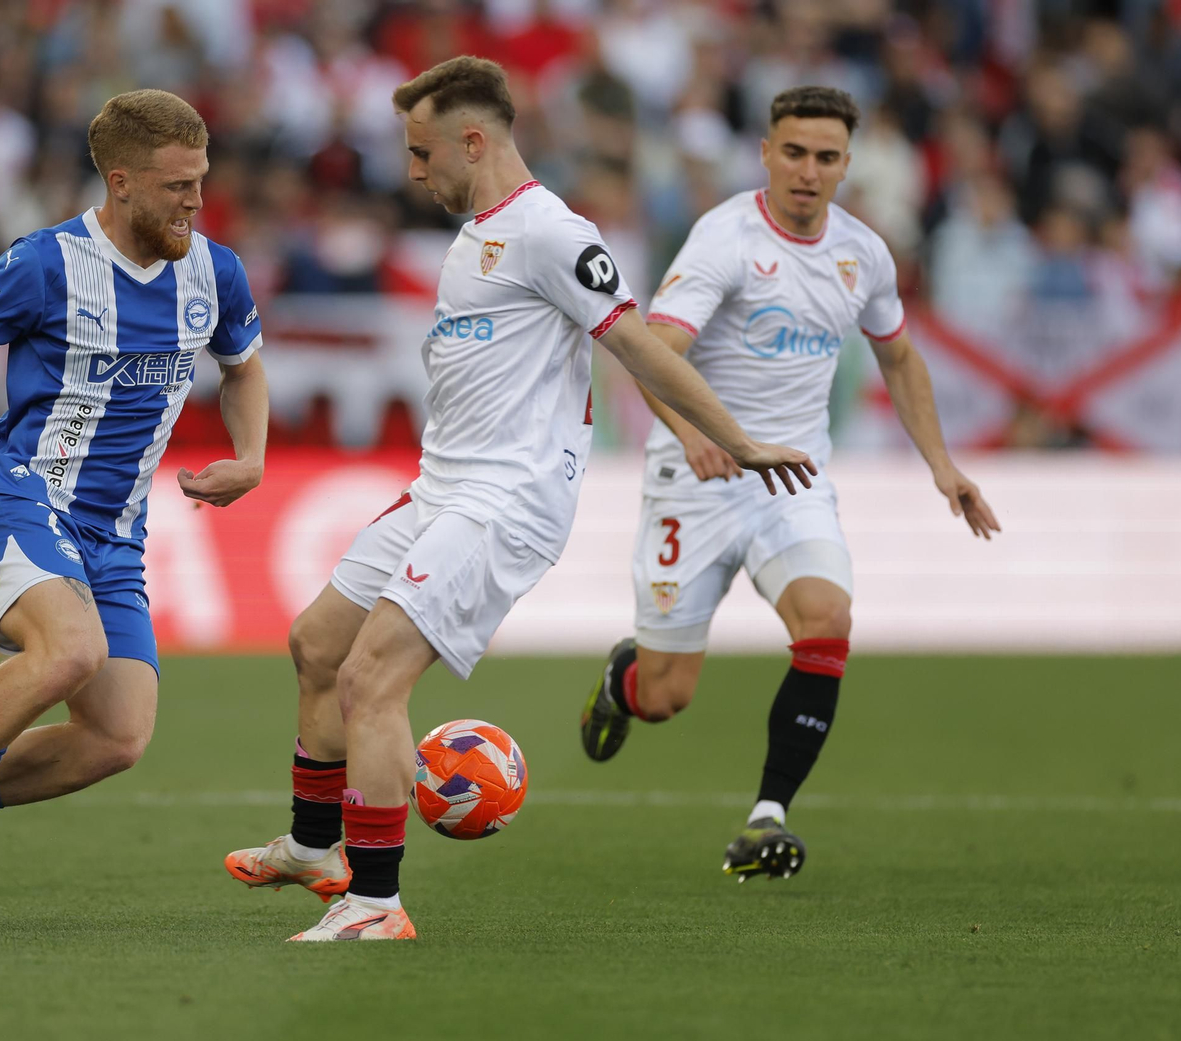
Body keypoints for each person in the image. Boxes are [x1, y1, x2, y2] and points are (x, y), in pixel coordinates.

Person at [223, 56, 816, 942]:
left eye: (423, 153)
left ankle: (377, 904)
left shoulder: (550, 232)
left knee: (370, 680)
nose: (414, 171)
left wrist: (729, 435)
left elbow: (637, 342)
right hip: (441, 485)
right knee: (317, 644)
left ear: (474, 140)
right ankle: (317, 848)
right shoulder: (476, 234)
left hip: (505, 501)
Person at [0, 89, 268, 928]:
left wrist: (250, 457)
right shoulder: (44, 263)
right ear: (122, 181)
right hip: (22, 498)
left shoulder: (215, 272)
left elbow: (244, 366)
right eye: (178, 186)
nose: (196, 201)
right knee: (71, 652)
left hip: (117, 538)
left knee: (116, 738)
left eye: (201, 181)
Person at [578, 86, 1001, 883]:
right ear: (768, 153)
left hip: (791, 478)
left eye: (827, 157)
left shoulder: (863, 254)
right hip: (694, 476)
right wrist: (696, 434)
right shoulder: (723, 241)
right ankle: (623, 680)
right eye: (795, 153)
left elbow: (900, 357)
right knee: (666, 696)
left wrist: (944, 467)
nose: (809, 172)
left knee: (827, 617)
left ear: (847, 165)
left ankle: (767, 817)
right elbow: (651, 348)